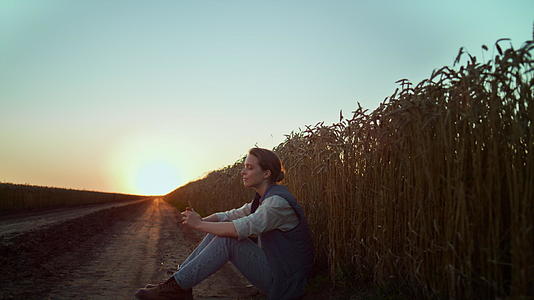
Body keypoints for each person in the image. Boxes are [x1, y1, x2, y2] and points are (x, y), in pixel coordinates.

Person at [135, 147, 314, 300]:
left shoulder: (276, 203)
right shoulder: (262, 200)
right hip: (277, 272)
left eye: (249, 168)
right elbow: (228, 216)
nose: (243, 172)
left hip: (287, 284)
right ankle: (178, 284)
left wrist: (198, 225)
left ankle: (176, 288)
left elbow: (239, 229)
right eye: (244, 167)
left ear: (266, 173)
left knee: (227, 238)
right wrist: (201, 220)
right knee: (219, 231)